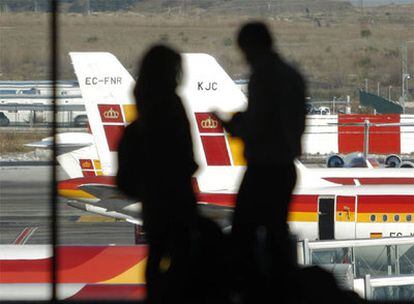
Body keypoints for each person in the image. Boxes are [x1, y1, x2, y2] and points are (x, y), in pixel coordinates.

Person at [215, 22, 306, 303]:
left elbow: (259, 125)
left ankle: (248, 290)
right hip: (285, 167)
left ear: (252, 46)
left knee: (243, 232)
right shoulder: (292, 75)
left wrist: (231, 126)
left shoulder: (263, 76)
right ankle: (281, 288)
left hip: (263, 167)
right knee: (277, 230)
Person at [117, 45, 198, 304]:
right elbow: (187, 157)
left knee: (156, 256)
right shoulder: (173, 106)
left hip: (154, 200)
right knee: (182, 258)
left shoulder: (141, 118)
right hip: (178, 198)